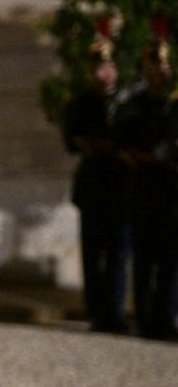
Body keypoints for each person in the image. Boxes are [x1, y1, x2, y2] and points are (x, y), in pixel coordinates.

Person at [63, 23, 130, 333]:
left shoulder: (127, 102)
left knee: (118, 251)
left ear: (114, 69)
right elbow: (71, 138)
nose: (101, 73)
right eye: (97, 67)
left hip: (121, 184)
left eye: (106, 66)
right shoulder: (81, 102)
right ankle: (96, 311)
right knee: (92, 252)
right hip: (93, 185)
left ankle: (114, 311)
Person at [114, 21, 178, 340]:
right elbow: (123, 142)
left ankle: (167, 318)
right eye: (155, 64)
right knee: (144, 259)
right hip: (144, 190)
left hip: (171, 192)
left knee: (170, 261)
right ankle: (144, 317)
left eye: (164, 64)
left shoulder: (173, 106)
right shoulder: (133, 106)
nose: (160, 71)